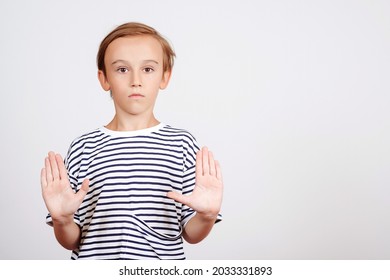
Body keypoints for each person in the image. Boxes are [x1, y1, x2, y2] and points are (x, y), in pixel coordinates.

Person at [40, 22, 223, 260]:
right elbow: (72, 239)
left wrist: (207, 216)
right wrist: (62, 220)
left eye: (147, 69)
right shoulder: (84, 147)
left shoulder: (182, 145)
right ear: (104, 78)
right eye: (122, 70)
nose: (135, 80)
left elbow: (191, 234)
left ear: (164, 76)